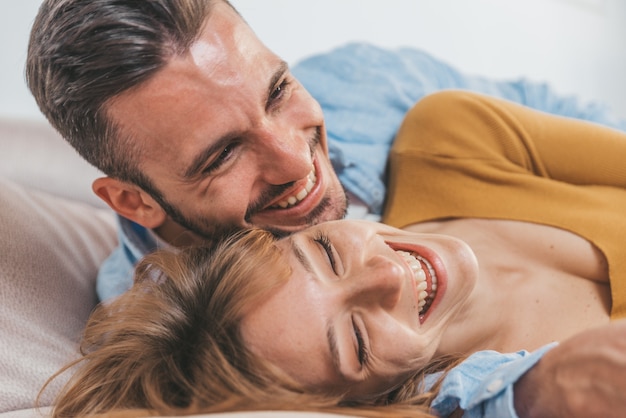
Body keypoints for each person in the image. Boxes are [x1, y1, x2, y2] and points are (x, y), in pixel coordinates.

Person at [25, 0, 626, 416]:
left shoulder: (385, 97)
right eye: (223, 155)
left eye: (278, 91)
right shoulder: (178, 352)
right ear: (134, 200)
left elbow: (583, 118)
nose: (294, 160)